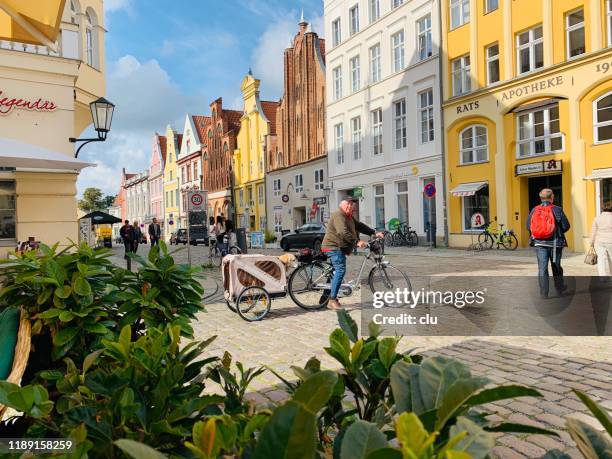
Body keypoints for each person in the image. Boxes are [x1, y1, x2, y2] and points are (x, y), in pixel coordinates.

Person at [321, 197, 385, 310]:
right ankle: (331, 301)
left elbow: (360, 226)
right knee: (340, 269)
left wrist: (374, 232)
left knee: (335, 272)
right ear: (342, 205)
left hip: (339, 247)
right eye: (348, 204)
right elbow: (342, 232)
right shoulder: (338, 215)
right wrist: (357, 242)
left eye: (352, 205)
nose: (350, 206)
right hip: (333, 247)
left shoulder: (349, 217)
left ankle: (325, 298)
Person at [526, 188, 571, 298]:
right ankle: (559, 288)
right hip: (555, 244)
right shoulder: (557, 209)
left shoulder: (534, 210)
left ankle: (544, 293)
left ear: (541, 198)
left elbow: (528, 226)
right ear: (552, 197)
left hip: (539, 244)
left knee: (542, 268)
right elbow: (566, 226)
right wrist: (555, 231)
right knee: (556, 266)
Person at [590, 201, 612, 277]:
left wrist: (591, 242)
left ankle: (602, 277)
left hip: (599, 242)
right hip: (610, 241)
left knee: (601, 260)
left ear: (603, 208)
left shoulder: (597, 218)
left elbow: (593, 231)